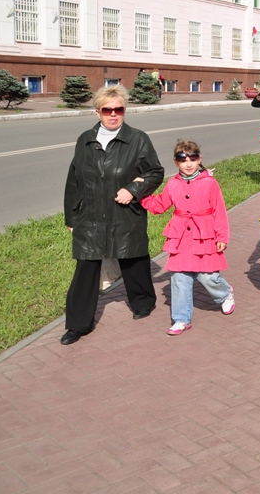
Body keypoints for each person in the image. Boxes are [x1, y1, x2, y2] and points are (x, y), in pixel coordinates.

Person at [61, 85, 165, 345]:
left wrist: (133, 190)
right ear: (98, 112)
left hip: (125, 212)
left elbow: (155, 172)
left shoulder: (138, 139)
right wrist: (71, 218)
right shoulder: (85, 139)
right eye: (107, 110)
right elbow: (74, 180)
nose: (113, 114)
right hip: (91, 216)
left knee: (133, 258)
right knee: (86, 266)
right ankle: (77, 324)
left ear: (124, 111)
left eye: (118, 109)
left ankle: (142, 302)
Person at [142, 140, 234, 335]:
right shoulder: (173, 184)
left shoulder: (209, 182)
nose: (189, 163)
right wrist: (141, 195)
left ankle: (225, 294)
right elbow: (160, 205)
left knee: (208, 276)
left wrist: (222, 237)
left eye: (193, 158)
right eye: (183, 159)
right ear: (176, 162)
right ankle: (181, 319)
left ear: (199, 159)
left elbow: (219, 211)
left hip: (206, 235)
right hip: (181, 236)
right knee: (179, 278)